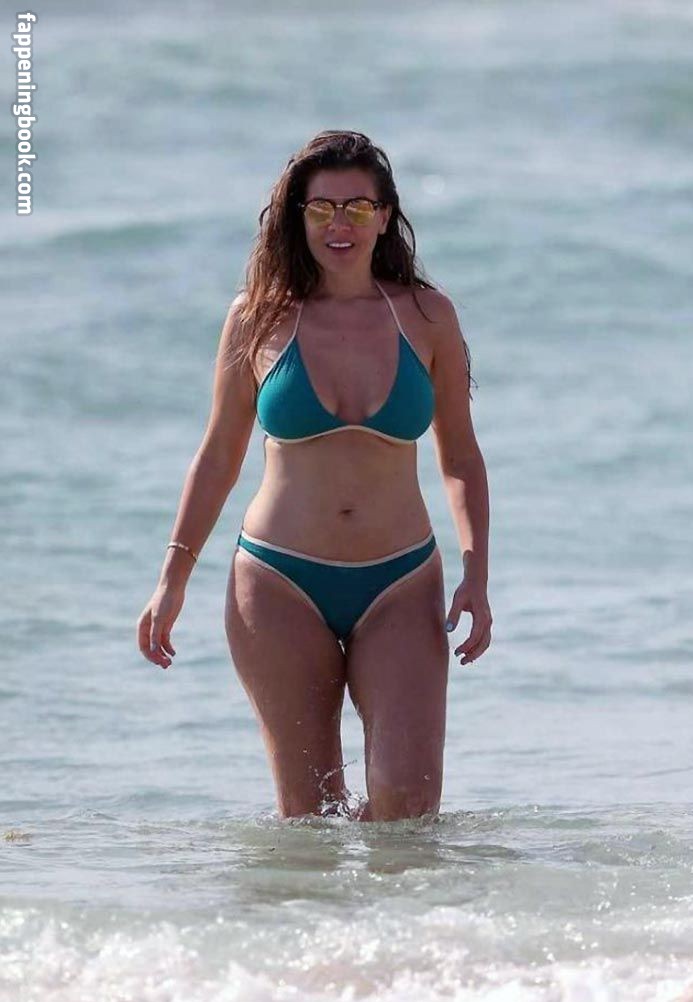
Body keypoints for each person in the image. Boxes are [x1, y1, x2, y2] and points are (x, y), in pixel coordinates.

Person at [137, 130, 492, 823]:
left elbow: (460, 457)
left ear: (384, 217)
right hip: (278, 581)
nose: (339, 224)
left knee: (408, 801)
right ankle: (318, 902)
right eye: (322, 208)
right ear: (298, 217)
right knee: (310, 816)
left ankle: (400, 902)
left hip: (399, 579)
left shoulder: (428, 317)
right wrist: (172, 578)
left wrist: (475, 574)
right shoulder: (257, 317)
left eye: (357, 207)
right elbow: (218, 454)